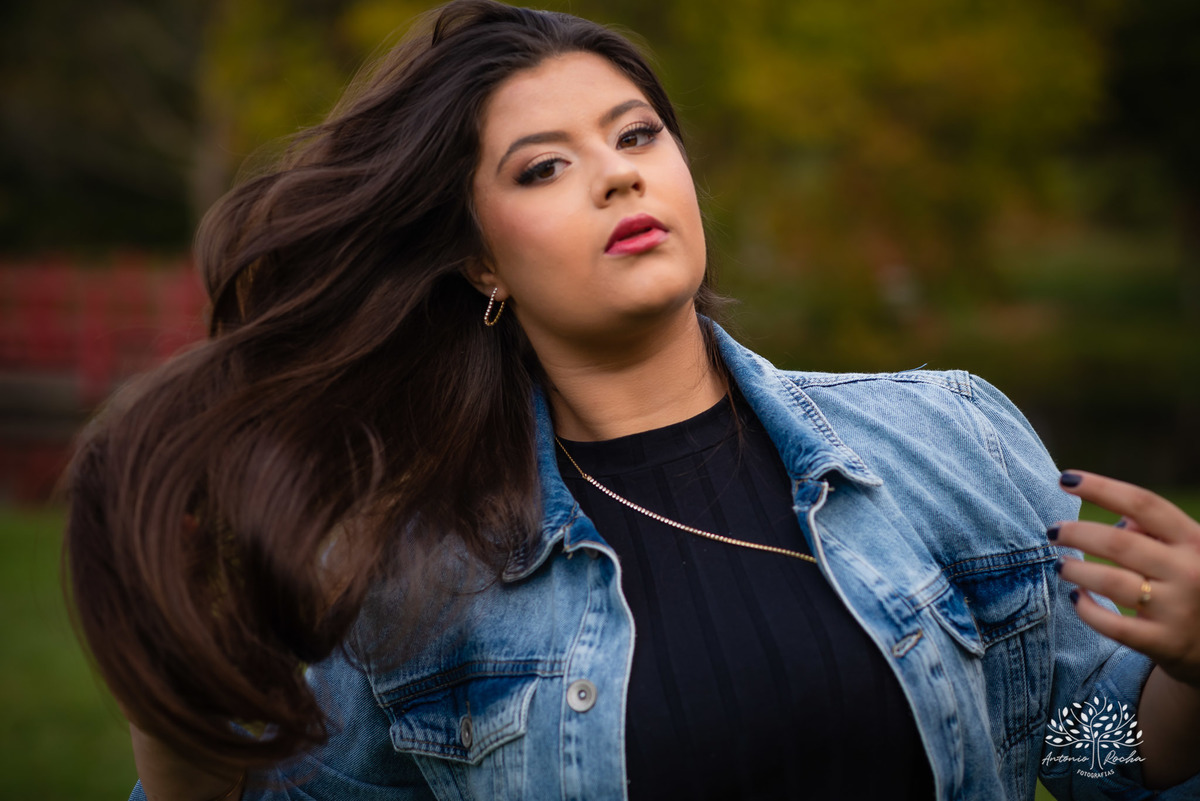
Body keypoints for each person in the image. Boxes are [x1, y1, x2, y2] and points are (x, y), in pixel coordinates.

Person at [62, 1, 1200, 799]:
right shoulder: (405, 576)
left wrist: (1196, 670)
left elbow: (1081, 744)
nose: (618, 173)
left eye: (637, 134)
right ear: (481, 265)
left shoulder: (944, 434)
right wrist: (187, 774)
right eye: (542, 167)